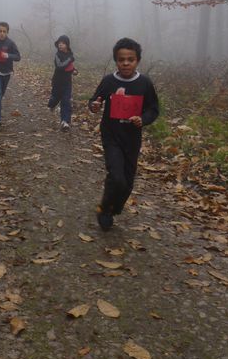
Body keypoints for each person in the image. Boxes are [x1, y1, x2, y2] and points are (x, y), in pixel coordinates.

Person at [88, 37, 159, 231]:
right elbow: (95, 100)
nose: (126, 63)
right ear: (116, 60)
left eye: (131, 59)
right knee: (116, 176)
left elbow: (153, 109)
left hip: (132, 138)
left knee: (127, 183)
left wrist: (143, 119)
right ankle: (104, 209)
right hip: (111, 135)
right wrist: (94, 105)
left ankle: (114, 207)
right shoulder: (109, 81)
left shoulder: (144, 83)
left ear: (137, 60)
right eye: (121, 59)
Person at [47, 34, 78, 132]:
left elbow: (70, 66)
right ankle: (51, 105)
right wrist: (70, 60)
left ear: (67, 45)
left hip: (67, 82)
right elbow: (60, 66)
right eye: (59, 43)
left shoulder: (70, 54)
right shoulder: (58, 55)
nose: (61, 45)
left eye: (63, 43)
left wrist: (74, 71)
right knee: (55, 98)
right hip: (57, 82)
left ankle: (65, 121)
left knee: (66, 101)